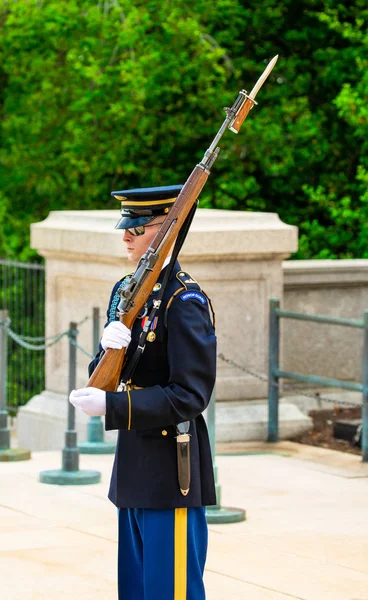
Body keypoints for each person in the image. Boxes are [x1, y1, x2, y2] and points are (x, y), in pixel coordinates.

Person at [69, 185, 217, 600]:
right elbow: (110, 372)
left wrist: (113, 405)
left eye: (138, 227)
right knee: (136, 589)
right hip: (135, 462)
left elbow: (190, 394)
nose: (126, 236)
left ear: (168, 231)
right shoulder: (127, 289)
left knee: (170, 590)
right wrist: (106, 348)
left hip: (172, 468)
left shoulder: (183, 299)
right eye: (126, 227)